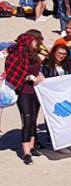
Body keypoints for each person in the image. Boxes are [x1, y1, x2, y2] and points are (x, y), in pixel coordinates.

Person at [4, 30, 46, 164]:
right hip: (24, 91)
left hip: (36, 91)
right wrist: (28, 77)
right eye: (36, 41)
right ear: (29, 41)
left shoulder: (34, 54)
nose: (38, 43)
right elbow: (12, 73)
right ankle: (26, 153)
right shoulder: (17, 55)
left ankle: (32, 147)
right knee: (27, 121)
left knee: (33, 119)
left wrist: (39, 75)